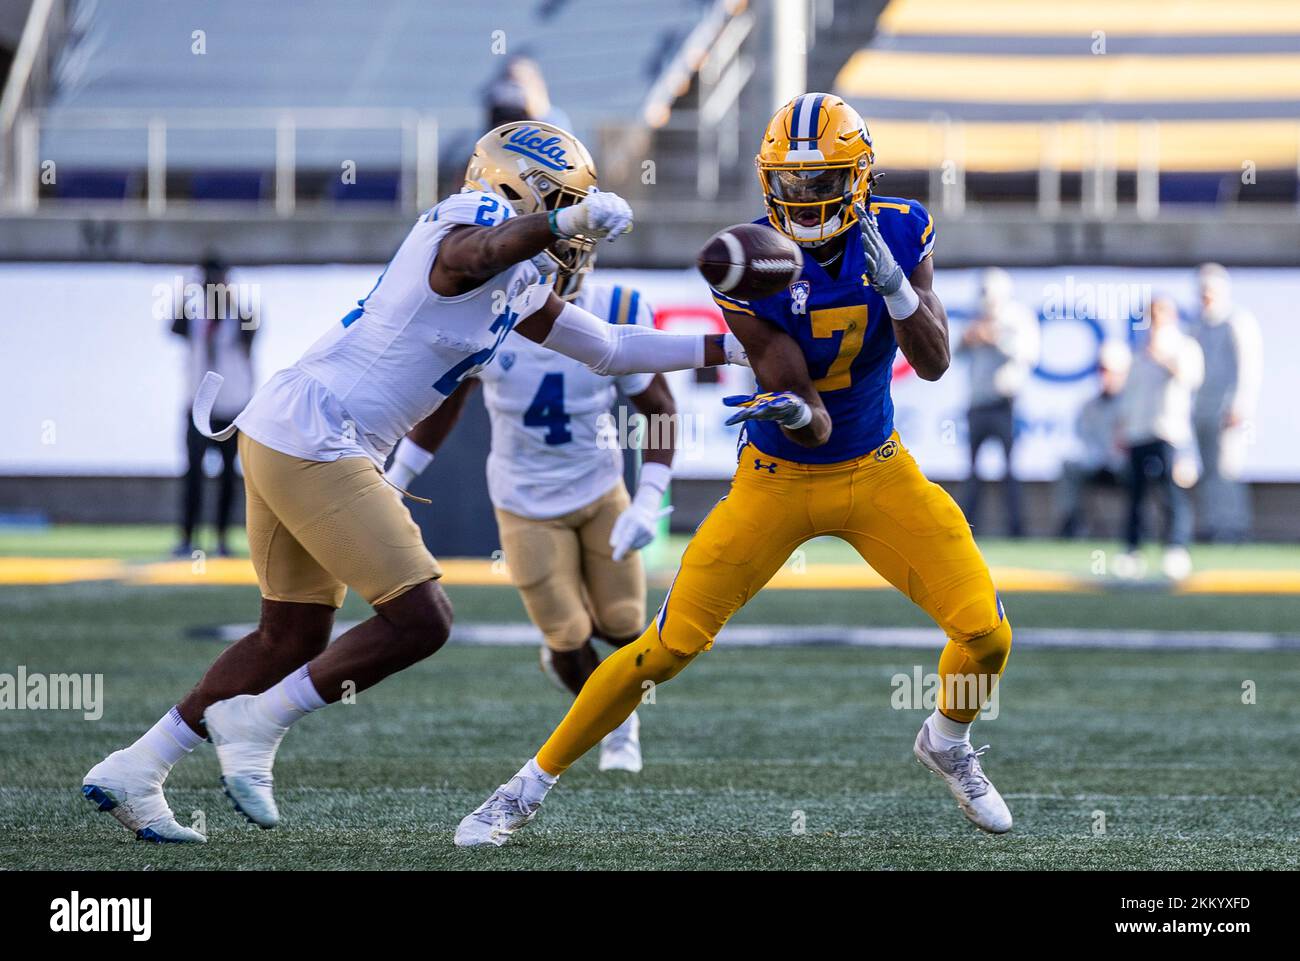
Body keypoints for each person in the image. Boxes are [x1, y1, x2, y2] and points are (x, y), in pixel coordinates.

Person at [80, 121, 747, 843]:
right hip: (318, 434)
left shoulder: (520, 282)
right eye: (557, 201)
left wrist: (732, 344)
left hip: (295, 429)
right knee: (422, 618)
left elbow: (612, 348)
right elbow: (480, 253)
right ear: (517, 190)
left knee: (290, 636)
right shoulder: (473, 221)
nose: (572, 231)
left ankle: (137, 766)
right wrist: (562, 220)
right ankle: (257, 721)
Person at [456, 94, 1015, 848]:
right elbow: (809, 414)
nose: (805, 201)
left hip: (879, 470)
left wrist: (899, 287)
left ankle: (946, 740)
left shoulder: (904, 227)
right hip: (779, 481)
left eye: (820, 185)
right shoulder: (745, 260)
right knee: (665, 647)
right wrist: (789, 409)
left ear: (859, 178)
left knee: (986, 634)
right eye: (790, 184)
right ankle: (522, 789)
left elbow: (936, 360)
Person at [387, 269, 678, 774]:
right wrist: (394, 479)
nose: (551, 268)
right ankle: (617, 725)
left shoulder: (618, 306)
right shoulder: (489, 309)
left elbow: (658, 407)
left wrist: (648, 499)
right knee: (567, 634)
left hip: (599, 486)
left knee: (625, 623)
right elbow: (444, 406)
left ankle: (618, 711)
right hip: (524, 501)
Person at [172, 258, 256, 557]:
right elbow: (174, 327)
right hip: (197, 404)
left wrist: (229, 297)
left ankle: (222, 538)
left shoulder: (239, 314)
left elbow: (252, 332)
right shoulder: (195, 315)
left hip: (231, 405)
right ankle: (187, 537)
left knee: (228, 476)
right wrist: (187, 289)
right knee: (193, 473)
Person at [1118, 295, 1204, 580]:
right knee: (1136, 494)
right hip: (1138, 432)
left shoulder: (1184, 346)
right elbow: (1130, 394)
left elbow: (1190, 379)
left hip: (1170, 431)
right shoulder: (1139, 350)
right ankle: (1133, 550)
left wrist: (1163, 357)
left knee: (1171, 492)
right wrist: (1122, 427)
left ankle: (1176, 548)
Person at [956, 267, 1040, 537]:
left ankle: (1017, 531)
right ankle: (968, 529)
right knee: (971, 472)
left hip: (1005, 403)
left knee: (1010, 470)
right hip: (977, 404)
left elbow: (1028, 354)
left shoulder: (1017, 318)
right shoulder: (976, 317)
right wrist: (968, 338)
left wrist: (996, 338)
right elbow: (954, 354)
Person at [1191, 264, 1262, 543]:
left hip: (1228, 409)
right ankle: (1213, 524)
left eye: (1209, 291)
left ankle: (1233, 526)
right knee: (1208, 470)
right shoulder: (1197, 325)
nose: (1205, 297)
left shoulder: (1237, 322)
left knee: (1228, 469)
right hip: (1203, 409)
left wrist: (1240, 405)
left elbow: (1248, 369)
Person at [1056, 341, 1130, 538]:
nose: (1106, 377)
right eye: (1103, 370)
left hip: (1125, 465)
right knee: (1070, 465)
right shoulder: (1089, 406)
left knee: (1138, 469)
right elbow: (1085, 438)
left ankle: (1136, 527)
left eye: (1111, 371)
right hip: (1096, 462)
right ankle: (1072, 525)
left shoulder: (1134, 404)